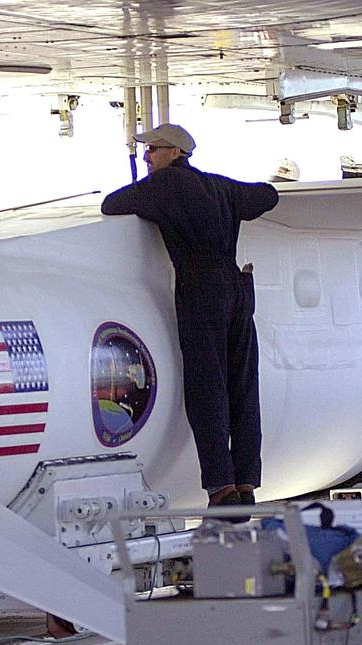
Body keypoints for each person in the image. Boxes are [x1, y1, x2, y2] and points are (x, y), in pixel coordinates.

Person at [101, 123, 279, 509]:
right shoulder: (220, 186)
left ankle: (221, 485)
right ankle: (247, 479)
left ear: (175, 153)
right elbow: (267, 196)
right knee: (244, 386)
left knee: (207, 386)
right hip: (237, 284)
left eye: (153, 150)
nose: (147, 157)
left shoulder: (164, 186)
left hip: (201, 287)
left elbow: (111, 205)